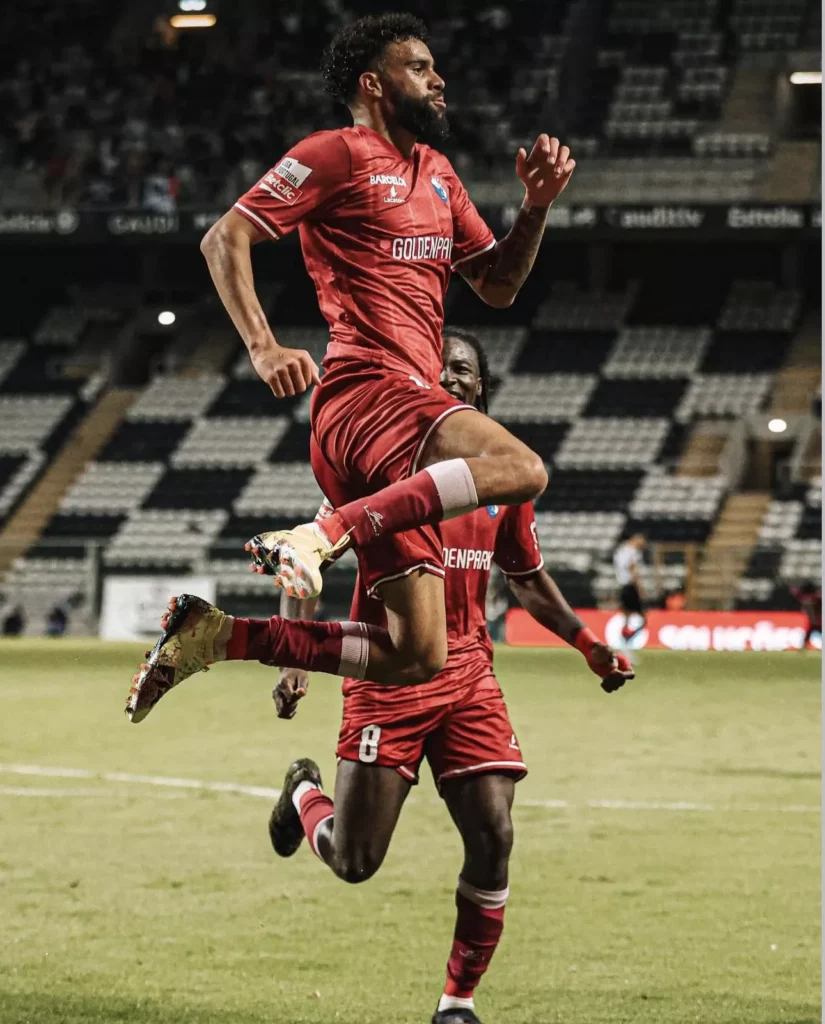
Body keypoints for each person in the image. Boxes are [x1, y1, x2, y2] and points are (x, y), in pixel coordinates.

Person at [126, 330, 633, 1023]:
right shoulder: (380, 462)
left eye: (464, 372)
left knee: (494, 835)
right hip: (386, 677)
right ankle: (303, 792)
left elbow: (526, 576)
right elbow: (311, 555)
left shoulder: (501, 481)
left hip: (468, 678)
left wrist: (586, 644)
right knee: (356, 859)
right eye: (439, 367)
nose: (451, 379)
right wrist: (295, 664)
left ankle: (457, 1003)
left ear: (478, 390)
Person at [125, 13, 577, 722]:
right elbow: (226, 237)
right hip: (370, 394)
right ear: (373, 83)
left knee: (416, 655)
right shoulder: (336, 152)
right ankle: (324, 532)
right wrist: (263, 345)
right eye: (420, 67)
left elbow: (496, 285)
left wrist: (536, 207)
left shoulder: (438, 175)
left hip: (399, 424)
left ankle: (219, 636)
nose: (439, 79)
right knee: (523, 470)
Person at [613, 533, 647, 648]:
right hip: (630, 586)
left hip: (621, 586)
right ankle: (628, 638)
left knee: (626, 615)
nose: (643, 544)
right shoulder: (634, 552)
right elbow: (633, 570)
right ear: (636, 538)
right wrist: (640, 589)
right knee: (643, 618)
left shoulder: (620, 550)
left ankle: (624, 638)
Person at [790, 580, 821, 650]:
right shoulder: (816, 597)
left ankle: (803, 647)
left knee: (809, 633)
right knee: (809, 633)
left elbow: (796, 593)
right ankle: (803, 646)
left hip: (815, 620)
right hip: (817, 620)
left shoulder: (804, 597)